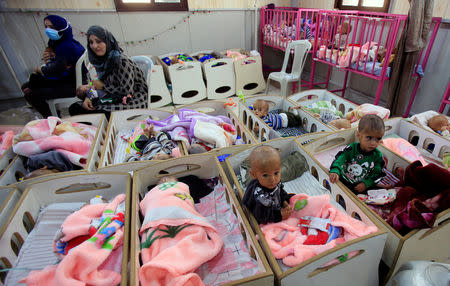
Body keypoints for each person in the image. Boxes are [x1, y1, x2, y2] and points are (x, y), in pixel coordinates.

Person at [69, 25, 147, 118]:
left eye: (99, 41)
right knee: (76, 106)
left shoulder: (121, 62)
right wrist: (89, 96)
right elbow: (99, 84)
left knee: (84, 112)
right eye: (91, 42)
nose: (94, 46)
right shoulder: (102, 61)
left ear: (107, 42)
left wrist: (102, 87)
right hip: (113, 97)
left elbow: (127, 92)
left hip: (133, 100)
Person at [22, 15, 86, 118]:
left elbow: (57, 70)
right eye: (46, 27)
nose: (48, 30)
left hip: (72, 84)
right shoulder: (60, 42)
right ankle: (53, 113)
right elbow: (57, 64)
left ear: (61, 28)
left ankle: (52, 118)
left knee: (30, 92)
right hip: (69, 78)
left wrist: (41, 69)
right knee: (30, 84)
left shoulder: (65, 46)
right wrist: (50, 58)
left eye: (52, 27)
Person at [329, 114, 386, 194]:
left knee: (373, 194)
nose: (373, 143)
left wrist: (366, 184)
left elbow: (378, 174)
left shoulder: (377, 156)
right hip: (342, 179)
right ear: (359, 135)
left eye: (378, 139)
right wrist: (336, 170)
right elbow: (340, 158)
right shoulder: (351, 148)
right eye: (369, 138)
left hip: (359, 186)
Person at [242, 145, 293, 224]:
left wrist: (284, 202)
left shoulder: (275, 182)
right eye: (265, 175)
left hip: (274, 207)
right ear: (254, 175)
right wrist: (279, 215)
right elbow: (260, 215)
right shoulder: (259, 194)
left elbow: (280, 192)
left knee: (293, 198)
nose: (272, 179)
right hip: (264, 217)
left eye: (276, 173)